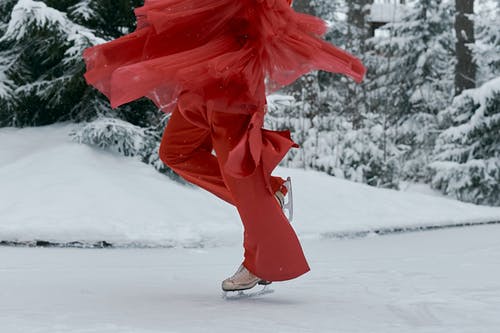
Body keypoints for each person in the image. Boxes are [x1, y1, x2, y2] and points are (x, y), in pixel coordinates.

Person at [82, 0, 366, 292]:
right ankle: (271, 190)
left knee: (242, 177)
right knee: (176, 151)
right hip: (201, 78)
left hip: (233, 83)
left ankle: (263, 263)